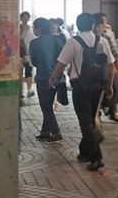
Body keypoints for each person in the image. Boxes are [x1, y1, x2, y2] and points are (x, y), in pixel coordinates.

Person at [48, 12, 114, 170]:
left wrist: (53, 78)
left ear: (78, 25)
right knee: (90, 119)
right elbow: (111, 65)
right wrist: (109, 85)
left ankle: (96, 157)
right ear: (92, 25)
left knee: (86, 122)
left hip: (80, 87)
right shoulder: (102, 41)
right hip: (98, 87)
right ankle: (84, 152)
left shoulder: (73, 42)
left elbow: (61, 63)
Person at [29, 17, 64, 142]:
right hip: (56, 76)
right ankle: (45, 131)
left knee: (45, 106)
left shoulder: (34, 43)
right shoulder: (57, 40)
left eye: (34, 27)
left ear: (38, 29)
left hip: (43, 77)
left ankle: (56, 132)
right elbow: (62, 57)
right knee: (48, 104)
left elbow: (34, 62)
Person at [94, 12, 118, 122]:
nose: (105, 23)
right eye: (104, 21)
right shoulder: (93, 35)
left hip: (109, 65)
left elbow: (115, 52)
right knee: (99, 89)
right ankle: (98, 112)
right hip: (97, 67)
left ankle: (112, 111)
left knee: (114, 88)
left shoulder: (109, 34)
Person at [20, 12, 35, 99]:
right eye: (24, 17)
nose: (25, 19)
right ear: (21, 18)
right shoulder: (18, 28)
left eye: (27, 17)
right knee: (20, 73)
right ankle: (20, 91)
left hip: (28, 53)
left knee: (29, 72)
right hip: (20, 53)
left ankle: (29, 90)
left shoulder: (31, 29)